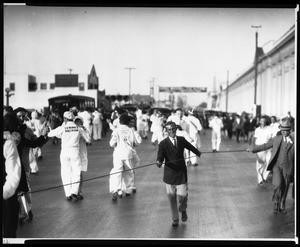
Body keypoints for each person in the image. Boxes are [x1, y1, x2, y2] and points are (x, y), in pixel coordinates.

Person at [156, 121, 201, 227]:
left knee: (183, 195)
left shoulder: (181, 140)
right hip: (169, 174)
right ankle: (175, 218)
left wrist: (198, 153)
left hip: (181, 172)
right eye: (169, 130)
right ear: (166, 131)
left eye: (173, 129)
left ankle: (183, 209)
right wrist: (158, 162)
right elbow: (160, 155)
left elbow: (190, 147)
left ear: (176, 129)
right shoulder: (163, 143)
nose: (172, 131)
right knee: (171, 197)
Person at [248, 118, 294, 214]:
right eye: (282, 130)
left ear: (290, 130)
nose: (284, 132)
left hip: (288, 167)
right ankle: (276, 202)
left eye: (286, 130)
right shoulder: (276, 138)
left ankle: (282, 204)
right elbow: (265, 146)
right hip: (277, 166)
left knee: (285, 187)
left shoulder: (294, 140)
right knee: (277, 185)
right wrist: (253, 149)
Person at [13, 107, 49, 223]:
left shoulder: (27, 129)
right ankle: (20, 212)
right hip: (11, 165)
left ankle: (27, 210)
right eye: (19, 116)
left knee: (26, 188)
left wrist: (44, 136)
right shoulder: (10, 130)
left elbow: (35, 142)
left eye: (23, 116)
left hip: (24, 164)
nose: (22, 118)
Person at [47, 111, 91, 201]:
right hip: (74, 151)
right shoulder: (78, 128)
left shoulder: (62, 127)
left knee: (65, 172)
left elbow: (50, 134)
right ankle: (74, 191)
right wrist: (85, 130)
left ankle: (68, 194)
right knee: (76, 172)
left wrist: (51, 129)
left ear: (64, 118)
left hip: (64, 152)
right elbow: (88, 139)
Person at [109, 113, 142, 200]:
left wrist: (117, 144)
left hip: (118, 154)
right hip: (128, 153)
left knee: (117, 172)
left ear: (120, 121)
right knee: (129, 172)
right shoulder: (131, 130)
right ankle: (128, 190)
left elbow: (111, 143)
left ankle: (117, 190)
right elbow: (137, 143)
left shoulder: (116, 130)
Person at [3, 113, 21, 238]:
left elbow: (13, 172)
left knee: (9, 230)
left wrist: (5, 192)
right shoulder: (8, 142)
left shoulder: (8, 143)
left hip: (6, 192)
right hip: (7, 193)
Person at [74, 116, 91, 199]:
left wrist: (84, 130)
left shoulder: (83, 130)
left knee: (79, 174)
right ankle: (73, 191)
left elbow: (88, 140)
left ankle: (79, 191)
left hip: (81, 154)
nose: (77, 124)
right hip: (72, 155)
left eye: (79, 122)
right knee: (73, 174)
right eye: (76, 122)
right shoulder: (71, 130)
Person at [253, 116, 272, 186]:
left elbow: (271, 138)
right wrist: (254, 149)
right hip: (259, 147)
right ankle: (260, 180)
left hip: (267, 148)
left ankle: (264, 176)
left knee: (270, 163)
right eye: (261, 121)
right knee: (259, 164)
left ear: (266, 122)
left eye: (263, 121)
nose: (262, 122)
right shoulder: (257, 129)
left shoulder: (269, 129)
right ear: (259, 122)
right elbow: (255, 139)